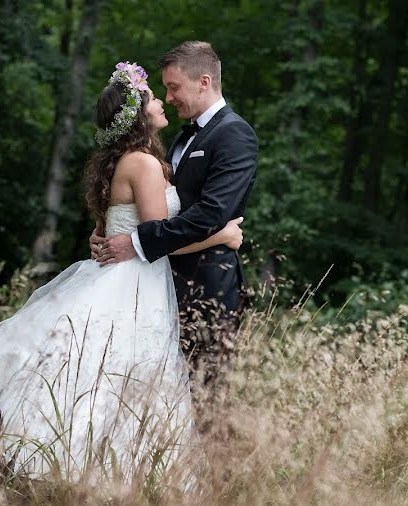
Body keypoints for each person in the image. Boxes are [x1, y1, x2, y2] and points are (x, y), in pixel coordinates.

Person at [0, 61, 243, 481]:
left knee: (96, 367)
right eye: (153, 97)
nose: (163, 101)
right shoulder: (144, 165)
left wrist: (104, 238)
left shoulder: (120, 162)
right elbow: (158, 236)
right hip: (134, 283)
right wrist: (222, 237)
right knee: (116, 370)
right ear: (137, 114)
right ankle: (89, 465)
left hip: (123, 275)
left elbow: (110, 228)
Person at [91, 42, 258, 415]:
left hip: (206, 285)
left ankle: (211, 472)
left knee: (204, 393)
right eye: (162, 91)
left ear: (203, 82)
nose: (168, 98)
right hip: (158, 281)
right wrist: (114, 229)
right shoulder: (181, 138)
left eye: (174, 88)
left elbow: (211, 212)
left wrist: (135, 241)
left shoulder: (234, 134)